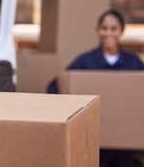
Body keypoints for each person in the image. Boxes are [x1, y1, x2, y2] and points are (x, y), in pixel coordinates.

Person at [48, 9, 143, 167]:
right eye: (104, 28)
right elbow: (56, 86)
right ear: (98, 31)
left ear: (121, 31)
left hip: (125, 147)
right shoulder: (85, 62)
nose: (108, 33)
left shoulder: (134, 63)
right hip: (95, 141)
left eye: (114, 29)